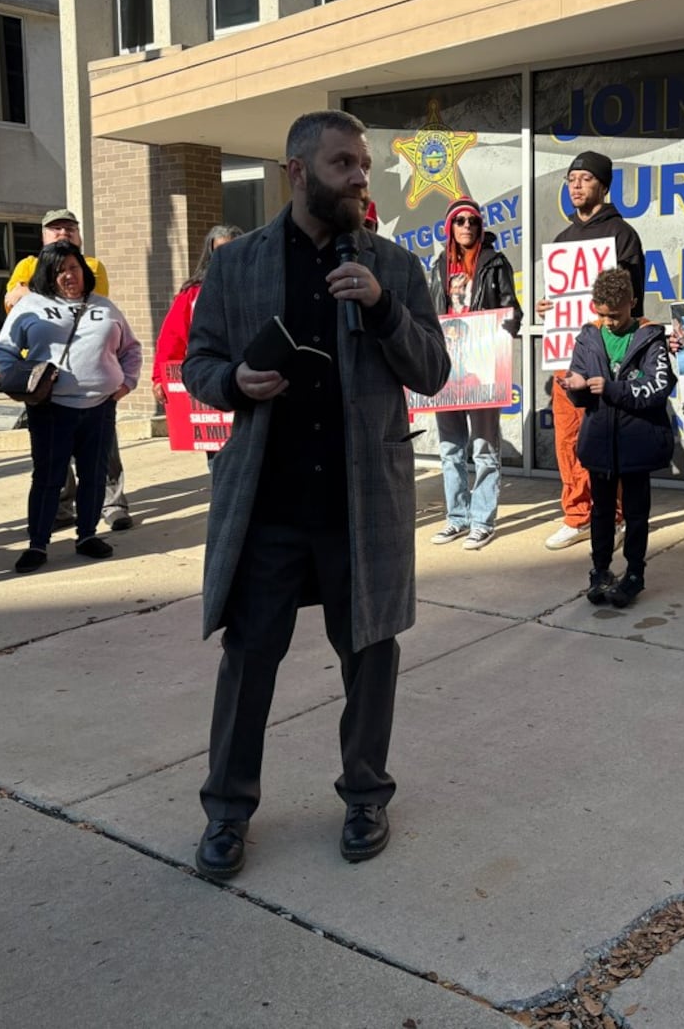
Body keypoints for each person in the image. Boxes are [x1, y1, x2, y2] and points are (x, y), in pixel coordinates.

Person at [182, 110, 448, 880]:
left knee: (371, 655)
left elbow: (432, 369)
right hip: (269, 504)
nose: (361, 178)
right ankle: (227, 813)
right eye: (343, 165)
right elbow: (199, 361)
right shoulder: (238, 267)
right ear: (297, 172)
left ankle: (366, 795)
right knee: (248, 659)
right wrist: (233, 382)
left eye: (364, 164)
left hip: (360, 506)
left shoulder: (394, 266)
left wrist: (383, 308)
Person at [0, 242, 141, 575]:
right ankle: (38, 543)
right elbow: (4, 350)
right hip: (51, 408)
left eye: (74, 268)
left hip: (101, 407)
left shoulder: (105, 307)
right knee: (48, 477)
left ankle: (87, 535)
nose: (68, 275)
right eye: (60, 270)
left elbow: (131, 349)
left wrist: (126, 383)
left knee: (94, 476)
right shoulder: (30, 306)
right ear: (48, 274)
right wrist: (21, 382)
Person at [534, 151, 644, 551]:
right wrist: (546, 307)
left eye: (584, 178)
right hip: (567, 352)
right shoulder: (563, 240)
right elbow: (558, 297)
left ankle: (611, 516)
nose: (576, 186)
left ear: (603, 185)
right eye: (571, 179)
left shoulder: (622, 234)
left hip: (606, 352)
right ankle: (577, 515)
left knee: (603, 436)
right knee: (568, 437)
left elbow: (632, 298)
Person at [6, 209, 130, 532]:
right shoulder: (26, 264)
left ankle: (112, 503)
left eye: (69, 229)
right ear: (43, 235)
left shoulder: (91, 265)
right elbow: (10, 302)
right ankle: (61, 509)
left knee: (103, 453)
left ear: (79, 234)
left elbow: (88, 298)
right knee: (52, 459)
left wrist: (32, 290)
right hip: (45, 383)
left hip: (93, 383)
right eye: (55, 229)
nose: (63, 234)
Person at [561, 267, 676, 609]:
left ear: (633, 303)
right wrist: (576, 388)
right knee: (601, 512)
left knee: (637, 513)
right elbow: (577, 374)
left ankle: (635, 574)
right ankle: (599, 571)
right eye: (602, 314)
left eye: (616, 314)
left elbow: (658, 388)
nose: (609, 322)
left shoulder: (651, 337)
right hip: (599, 440)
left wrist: (612, 388)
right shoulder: (588, 336)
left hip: (637, 441)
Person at [427, 196, 521, 551]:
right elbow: (429, 312)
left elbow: (513, 310)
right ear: (450, 227)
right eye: (460, 221)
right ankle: (457, 518)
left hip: (481, 366)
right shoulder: (439, 265)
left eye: (473, 221)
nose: (467, 227)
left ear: (481, 227)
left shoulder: (495, 263)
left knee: (483, 449)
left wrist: (506, 324)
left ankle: (482, 520)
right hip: (447, 367)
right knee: (450, 449)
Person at [152, 225, 240, 408]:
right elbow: (171, 338)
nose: (226, 258)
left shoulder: (257, 290)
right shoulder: (191, 295)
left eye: (232, 251)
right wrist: (161, 378)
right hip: (205, 383)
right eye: (219, 253)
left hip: (245, 382)